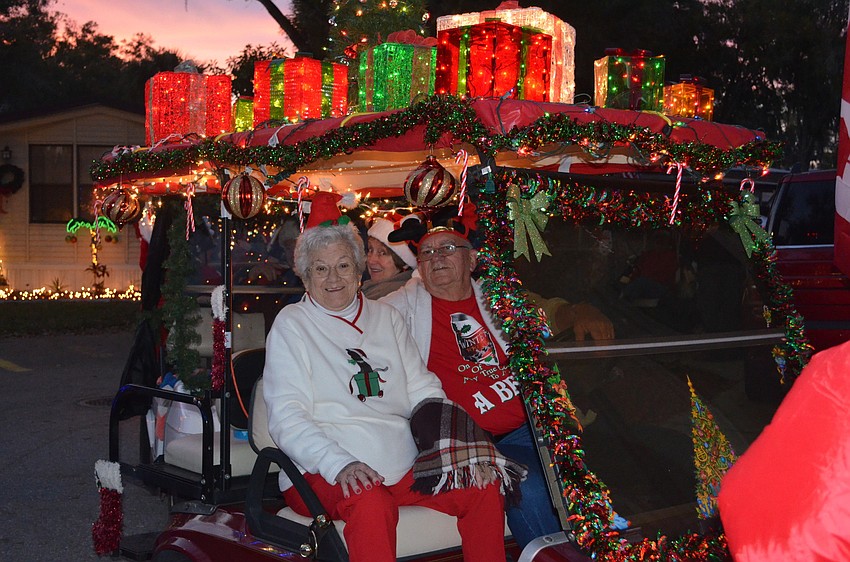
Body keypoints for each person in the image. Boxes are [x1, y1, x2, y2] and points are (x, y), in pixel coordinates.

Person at [262, 193, 509, 562]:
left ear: (360, 268)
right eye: (320, 268)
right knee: (371, 502)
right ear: (303, 273)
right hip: (323, 469)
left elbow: (422, 388)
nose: (334, 279)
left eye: (344, 266)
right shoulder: (292, 325)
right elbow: (287, 416)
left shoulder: (387, 317)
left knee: (482, 486)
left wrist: (459, 450)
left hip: (399, 463)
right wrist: (338, 463)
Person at [381, 205, 615, 549]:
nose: (436, 258)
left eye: (448, 248)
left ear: (472, 260)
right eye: (427, 252)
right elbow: (360, 315)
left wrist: (578, 309)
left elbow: (547, 310)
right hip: (474, 441)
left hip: (534, 426)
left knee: (599, 470)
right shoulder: (401, 308)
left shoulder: (497, 296)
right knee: (531, 487)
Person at [361, 216, 417, 299]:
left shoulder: (392, 296)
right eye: (370, 250)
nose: (371, 260)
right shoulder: (372, 288)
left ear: (403, 261)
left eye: (383, 253)